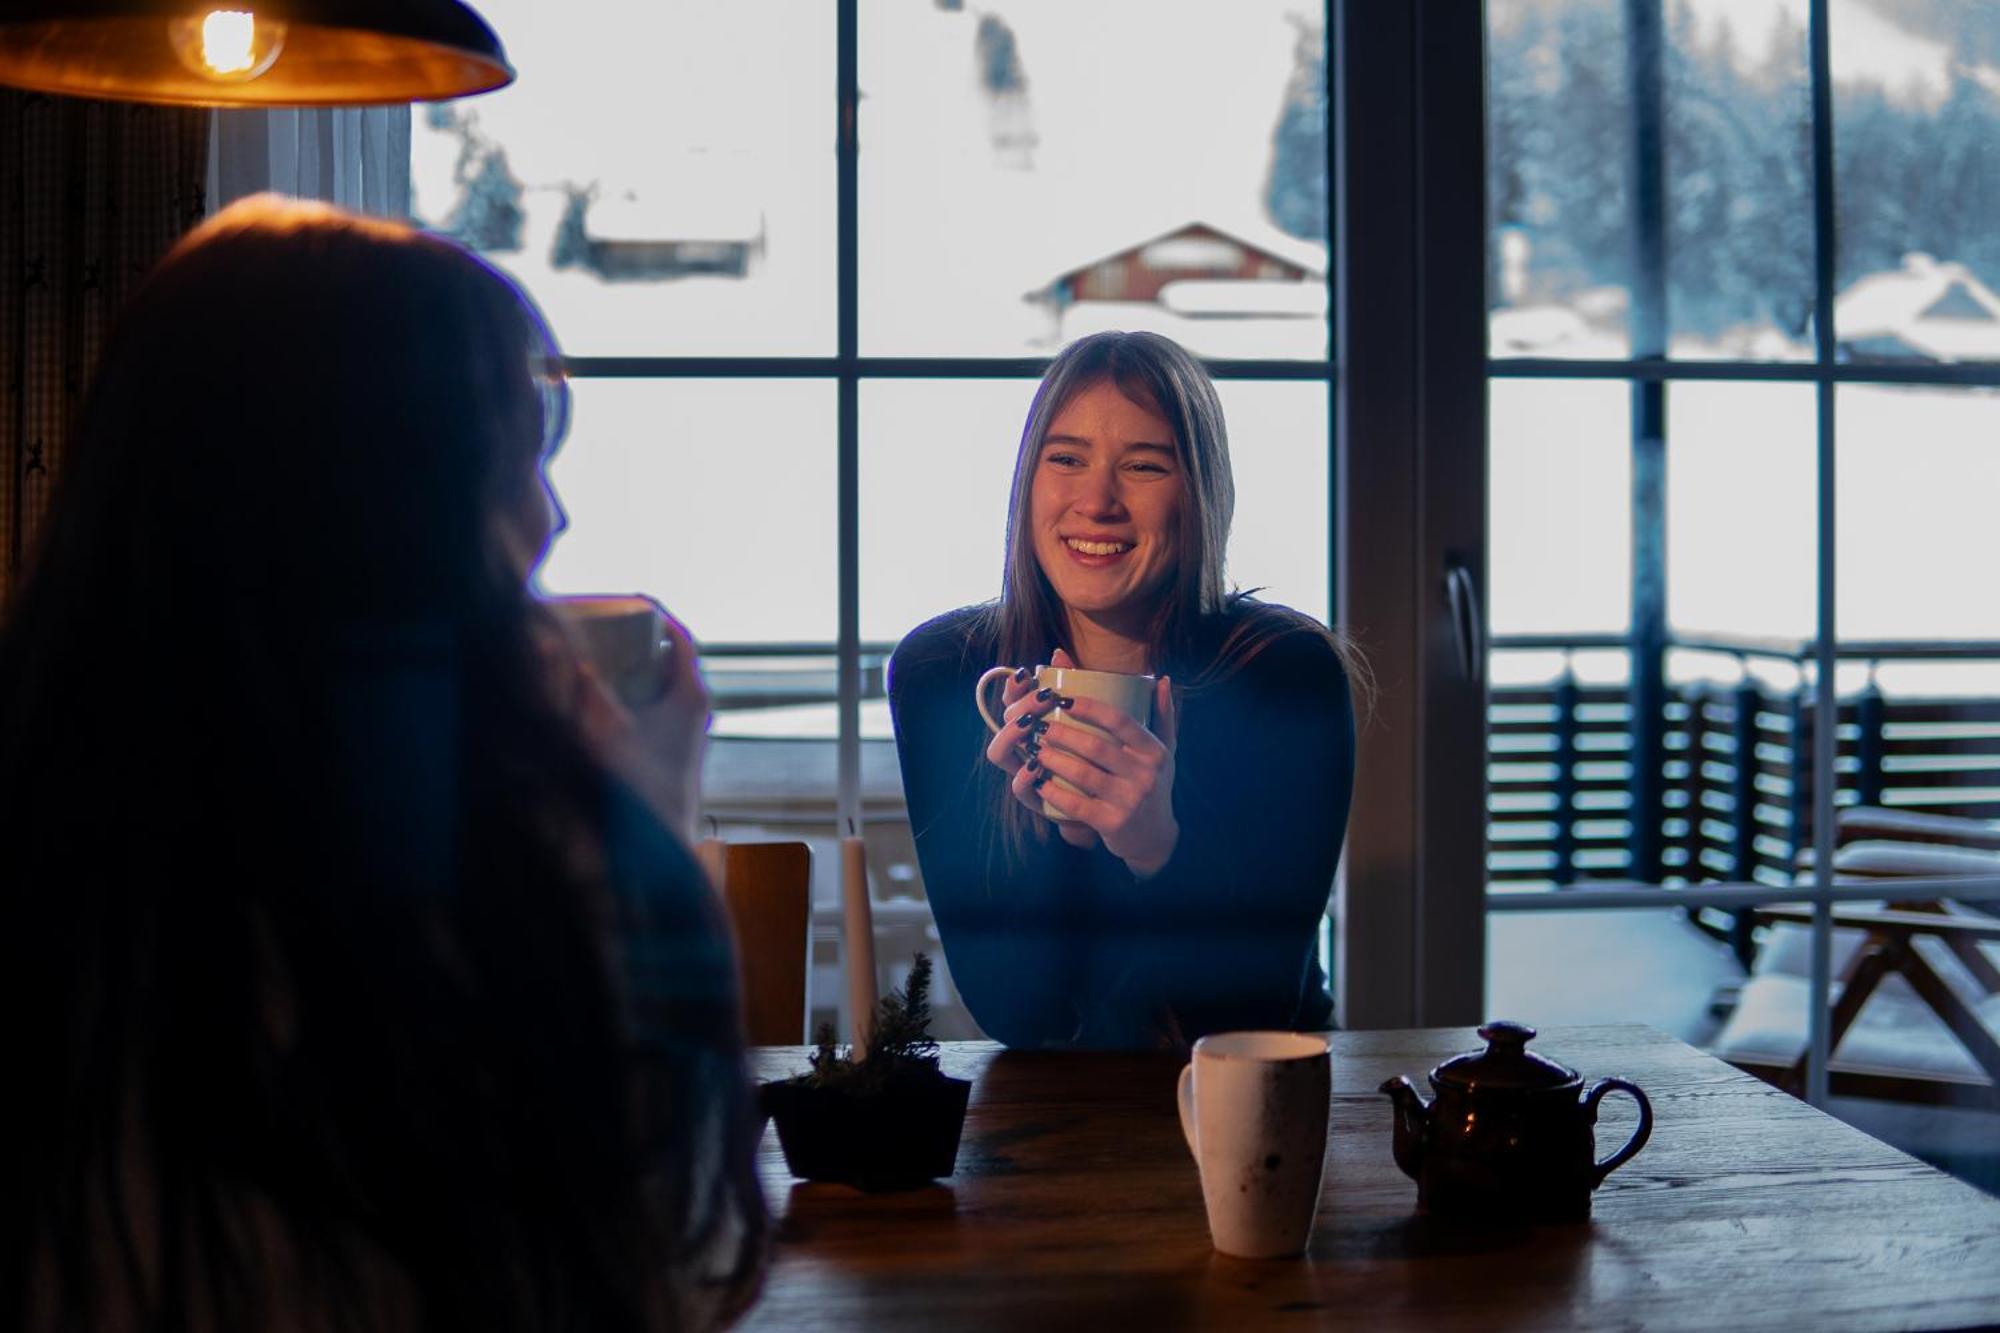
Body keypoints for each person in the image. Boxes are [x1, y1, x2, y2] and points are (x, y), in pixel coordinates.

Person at [0, 198, 764, 1331]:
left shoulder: (64, 855)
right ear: (379, 512)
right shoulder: (496, 898)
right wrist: (637, 821)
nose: (550, 515)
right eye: (508, 460)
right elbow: (670, 1273)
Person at [888, 330, 1359, 1050]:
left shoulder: (1283, 674)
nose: (1097, 500)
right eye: (1066, 458)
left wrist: (1154, 848)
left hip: (1251, 1098)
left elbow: (1255, 1012)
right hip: (1046, 1110)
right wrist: (1059, 839)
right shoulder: (945, 674)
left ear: (1199, 495)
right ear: (1028, 481)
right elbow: (1016, 1014)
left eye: (1143, 465)